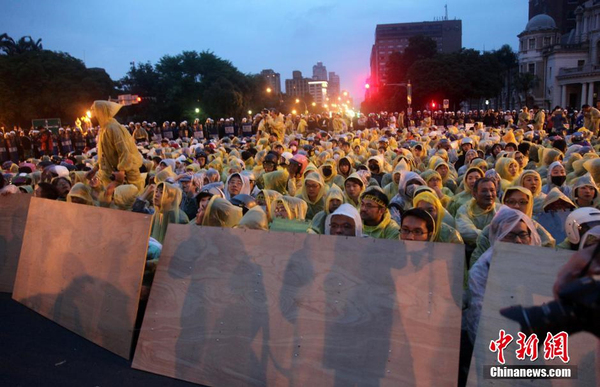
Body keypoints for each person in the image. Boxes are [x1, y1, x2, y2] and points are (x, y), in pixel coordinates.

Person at [465, 206, 542, 343]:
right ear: (498, 237)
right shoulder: (482, 269)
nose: (518, 240)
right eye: (510, 235)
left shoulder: (539, 264)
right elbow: (480, 315)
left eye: (523, 234)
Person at [89, 100, 144, 192]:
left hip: (127, 176)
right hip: (114, 175)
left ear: (101, 112)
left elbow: (125, 151)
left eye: (93, 111)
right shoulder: (103, 129)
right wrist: (95, 169)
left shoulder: (113, 128)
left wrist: (121, 171)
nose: (91, 115)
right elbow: (104, 155)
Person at [456, 177, 501, 247]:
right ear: (474, 194)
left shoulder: (501, 210)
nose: (489, 194)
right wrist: (489, 236)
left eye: (492, 190)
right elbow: (464, 230)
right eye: (484, 191)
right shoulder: (465, 209)